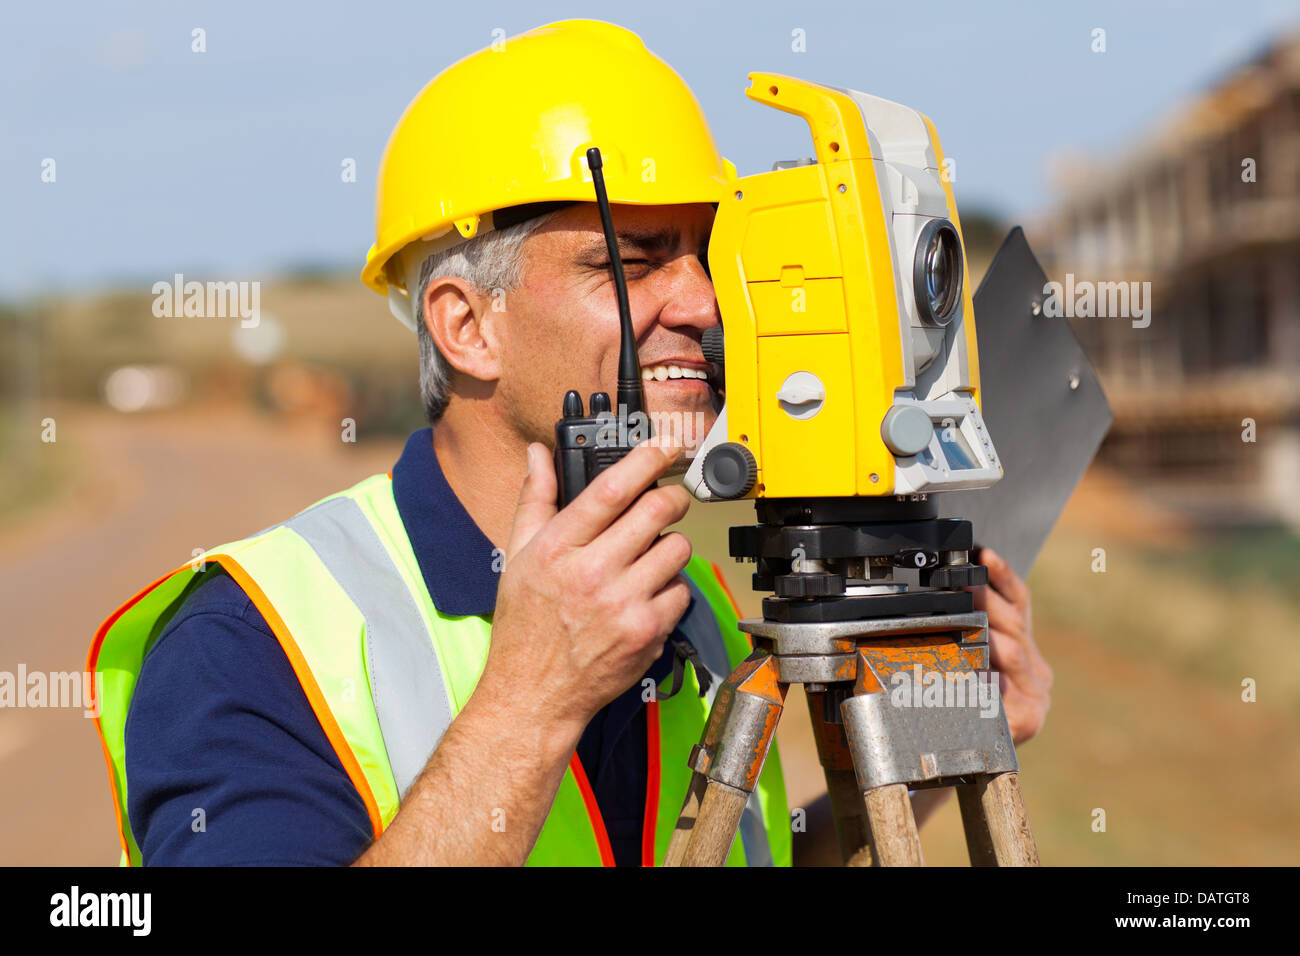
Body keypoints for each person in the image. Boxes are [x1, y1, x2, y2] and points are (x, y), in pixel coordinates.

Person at [88, 18, 1052, 867]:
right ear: (468, 326)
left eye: (702, 257)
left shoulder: (692, 611)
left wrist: (925, 760)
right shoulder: (252, 641)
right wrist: (529, 706)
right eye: (628, 265)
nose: (703, 305)